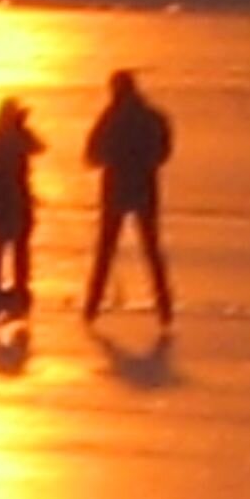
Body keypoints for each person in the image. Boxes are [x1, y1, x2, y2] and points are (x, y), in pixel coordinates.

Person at [83, 68, 175, 328]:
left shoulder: (110, 118)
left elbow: (92, 154)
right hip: (145, 187)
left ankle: (92, 307)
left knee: (106, 251)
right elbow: (164, 149)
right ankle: (164, 308)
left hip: (116, 188)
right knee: (152, 249)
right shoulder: (152, 117)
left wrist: (113, 159)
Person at [0, 97, 45, 312]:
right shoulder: (16, 137)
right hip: (13, 198)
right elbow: (38, 147)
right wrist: (21, 127)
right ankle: (18, 290)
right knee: (17, 248)